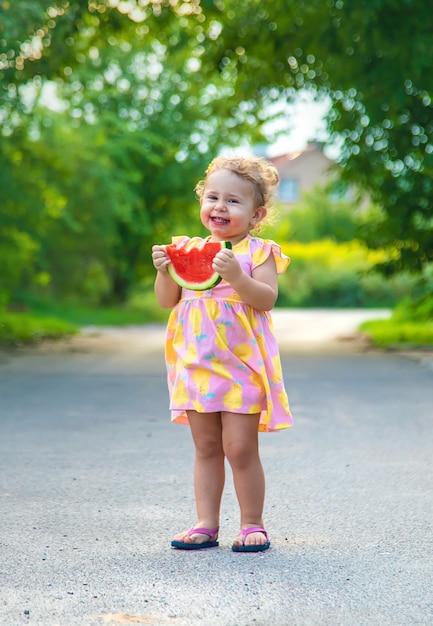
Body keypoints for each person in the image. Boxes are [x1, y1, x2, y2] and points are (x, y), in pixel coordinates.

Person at [151, 156, 293, 552]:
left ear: (256, 213)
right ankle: (205, 523)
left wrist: (236, 276)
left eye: (233, 201)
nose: (220, 207)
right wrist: (165, 272)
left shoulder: (259, 252)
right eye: (212, 197)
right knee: (206, 447)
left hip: (242, 368)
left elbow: (265, 300)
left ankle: (252, 524)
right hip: (196, 366)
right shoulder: (187, 249)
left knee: (241, 448)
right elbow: (168, 302)